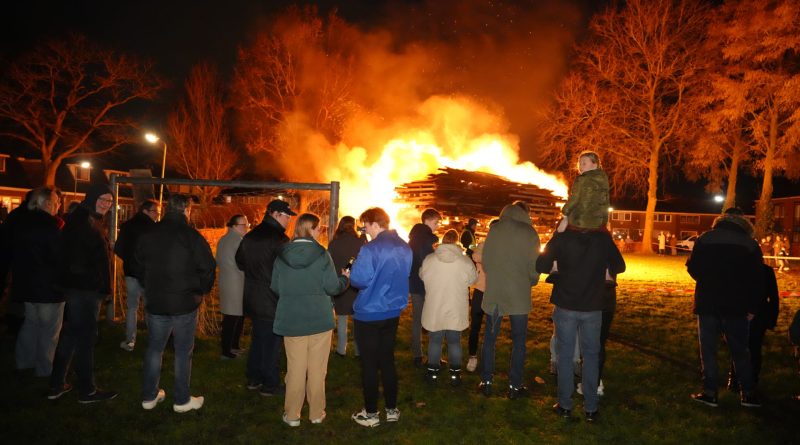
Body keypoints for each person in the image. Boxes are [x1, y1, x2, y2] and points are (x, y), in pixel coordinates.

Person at [136, 194, 215, 412]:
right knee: (182, 351)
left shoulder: (149, 234)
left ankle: (149, 396)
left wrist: (149, 286)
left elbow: (138, 263)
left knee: (154, 348)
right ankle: (181, 400)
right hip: (184, 302)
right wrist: (201, 291)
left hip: (156, 301)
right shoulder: (191, 236)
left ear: (166, 209)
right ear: (186, 210)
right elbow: (208, 267)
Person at [536, 228, 625, 422]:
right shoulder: (602, 238)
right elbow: (620, 265)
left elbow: (541, 265)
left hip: (566, 303)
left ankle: (565, 405)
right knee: (591, 357)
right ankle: (591, 409)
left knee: (565, 356)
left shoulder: (563, 238)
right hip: (593, 305)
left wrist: (557, 238)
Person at [271, 213, 349, 426]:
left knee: (295, 369)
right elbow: (333, 287)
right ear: (311, 230)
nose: (320, 232)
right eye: (319, 229)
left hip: (292, 319)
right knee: (317, 370)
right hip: (319, 320)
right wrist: (345, 279)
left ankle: (292, 415)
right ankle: (316, 413)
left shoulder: (282, 255)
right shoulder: (323, 255)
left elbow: (275, 287)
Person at [686, 207, 763, 408]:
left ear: (721, 220)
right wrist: (752, 307)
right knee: (740, 351)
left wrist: (707, 282)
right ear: (744, 222)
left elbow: (693, 268)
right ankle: (748, 393)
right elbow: (757, 279)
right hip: (737, 305)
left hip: (708, 302)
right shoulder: (750, 244)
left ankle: (710, 392)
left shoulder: (705, 239)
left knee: (708, 350)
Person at [49, 184, 117, 403]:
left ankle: (56, 385)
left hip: (79, 288)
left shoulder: (88, 218)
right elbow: (79, 259)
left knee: (70, 336)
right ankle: (87, 391)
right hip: (84, 290)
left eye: (110, 201)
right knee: (86, 339)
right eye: (103, 199)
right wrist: (97, 284)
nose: (106, 204)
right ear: (92, 198)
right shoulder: (83, 222)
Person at [349, 207, 412, 427]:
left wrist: (350, 273)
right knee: (387, 360)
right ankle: (392, 409)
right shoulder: (405, 247)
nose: (365, 231)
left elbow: (360, 280)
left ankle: (372, 414)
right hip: (392, 311)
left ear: (375, 224)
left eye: (365, 226)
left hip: (369, 313)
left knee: (369, 364)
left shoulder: (370, 248)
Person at [479, 202, 540, 399]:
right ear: (526, 213)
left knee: (490, 338)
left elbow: (486, 261)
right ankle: (515, 386)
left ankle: (486, 381)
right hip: (519, 295)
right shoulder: (530, 233)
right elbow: (534, 266)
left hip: (496, 294)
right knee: (519, 341)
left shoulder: (495, 229)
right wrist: (531, 280)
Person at [236, 199, 295, 395]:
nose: (289, 221)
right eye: (287, 217)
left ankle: (254, 378)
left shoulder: (250, 236)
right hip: (272, 299)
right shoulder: (280, 240)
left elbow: (240, 261)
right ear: (276, 214)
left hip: (252, 297)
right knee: (272, 344)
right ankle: (270, 384)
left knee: (258, 339)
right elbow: (290, 268)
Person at [12, 187, 63, 377]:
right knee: (49, 330)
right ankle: (45, 369)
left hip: (26, 285)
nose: (59, 205)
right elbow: (58, 258)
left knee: (31, 324)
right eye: (57, 201)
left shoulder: (21, 223)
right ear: (47, 203)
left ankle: (24, 362)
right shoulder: (51, 227)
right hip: (48, 289)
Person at [419, 229, 477, 386]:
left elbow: (422, 275)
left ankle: (432, 374)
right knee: (454, 342)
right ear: (457, 242)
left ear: (443, 241)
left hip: (435, 306)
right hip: (455, 307)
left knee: (435, 341)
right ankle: (455, 375)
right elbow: (473, 278)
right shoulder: (465, 261)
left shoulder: (429, 259)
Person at [553, 151, 613, 282]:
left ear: (594, 164)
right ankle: (608, 272)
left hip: (580, 219)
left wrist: (565, 212)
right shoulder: (604, 179)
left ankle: (555, 265)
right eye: (579, 163)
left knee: (558, 233)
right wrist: (604, 220)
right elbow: (605, 202)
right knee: (607, 243)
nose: (580, 166)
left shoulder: (582, 178)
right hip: (598, 221)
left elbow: (574, 199)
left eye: (584, 163)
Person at [113, 199, 158, 352]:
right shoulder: (154, 228)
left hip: (131, 272)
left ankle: (130, 341)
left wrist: (129, 259)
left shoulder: (127, 226)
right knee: (150, 307)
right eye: (154, 211)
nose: (157, 214)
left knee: (132, 307)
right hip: (148, 274)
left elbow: (118, 248)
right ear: (145, 211)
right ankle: (153, 341)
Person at [727, 263, 779, 391]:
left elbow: (773, 297)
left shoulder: (764, 271)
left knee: (750, 349)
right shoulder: (741, 269)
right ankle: (737, 380)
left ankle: (746, 380)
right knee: (744, 348)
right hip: (743, 314)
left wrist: (771, 319)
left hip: (755, 316)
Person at [327, 216, 366, 358]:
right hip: (356, 285)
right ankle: (358, 350)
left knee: (342, 318)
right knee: (358, 320)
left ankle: (341, 350)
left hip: (340, 283)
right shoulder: (360, 243)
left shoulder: (334, 243)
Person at [407, 208, 441, 367]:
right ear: (427, 220)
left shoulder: (413, 236)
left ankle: (417, 355)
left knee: (417, 320)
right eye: (436, 222)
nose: (437, 226)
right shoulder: (428, 240)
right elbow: (429, 262)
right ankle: (434, 356)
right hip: (428, 284)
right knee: (433, 319)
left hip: (414, 282)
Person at [217, 214, 248, 359]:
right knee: (232, 318)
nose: (247, 227)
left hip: (227, 281)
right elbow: (244, 262)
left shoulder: (224, 239)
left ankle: (232, 346)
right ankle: (227, 351)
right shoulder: (238, 241)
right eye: (243, 225)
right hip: (236, 282)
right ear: (234, 226)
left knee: (233, 316)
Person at [466, 240, 487, 373]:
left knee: (491, 329)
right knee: (475, 327)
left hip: (495, 292)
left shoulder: (503, 244)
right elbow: (475, 256)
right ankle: (472, 356)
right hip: (480, 290)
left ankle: (488, 357)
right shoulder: (483, 244)